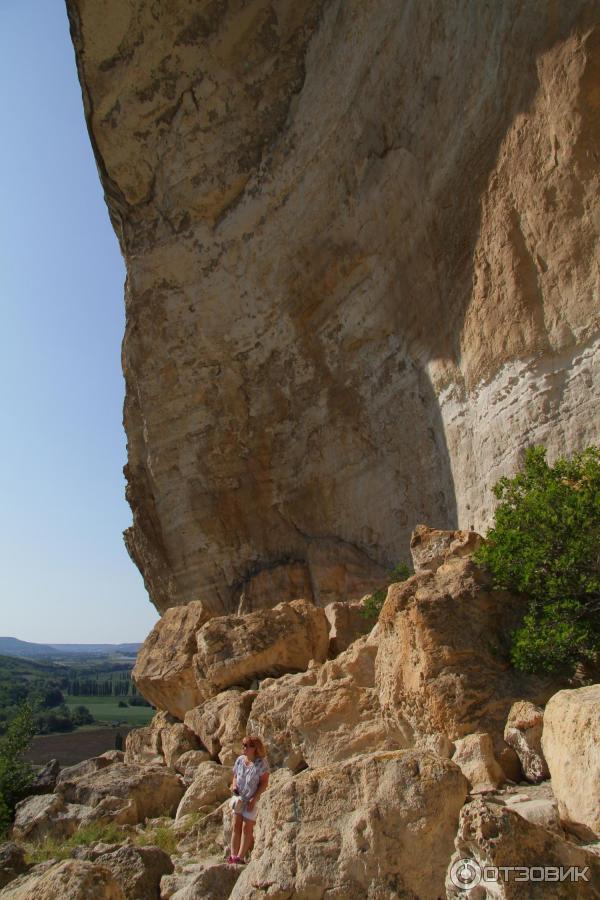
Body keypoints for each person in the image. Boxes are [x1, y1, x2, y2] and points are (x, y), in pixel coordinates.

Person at [228, 734, 269, 864]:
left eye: (247, 745)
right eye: (243, 744)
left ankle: (240, 857)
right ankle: (233, 855)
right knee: (236, 825)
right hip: (239, 797)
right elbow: (235, 775)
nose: (244, 747)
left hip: (252, 799)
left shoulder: (261, 764)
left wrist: (254, 799)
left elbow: (264, 783)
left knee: (247, 827)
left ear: (255, 748)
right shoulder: (240, 760)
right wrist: (234, 785)